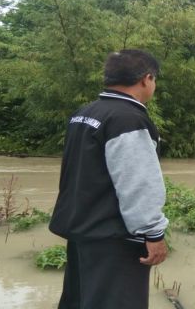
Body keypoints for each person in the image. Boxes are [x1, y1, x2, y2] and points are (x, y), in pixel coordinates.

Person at [49, 49, 169, 309]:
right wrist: (154, 233)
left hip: (83, 230)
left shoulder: (86, 112)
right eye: (155, 80)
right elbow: (138, 183)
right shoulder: (128, 119)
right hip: (114, 239)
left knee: (81, 301)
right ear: (146, 79)